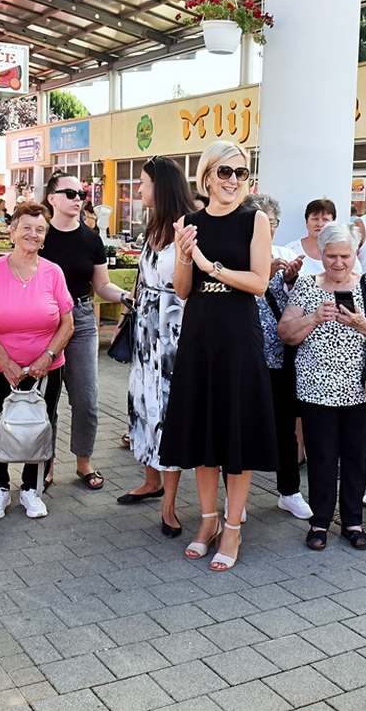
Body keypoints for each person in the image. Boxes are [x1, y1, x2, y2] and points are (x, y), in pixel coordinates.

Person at [159, 140, 277, 572]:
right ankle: (206, 521)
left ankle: (233, 526)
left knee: (236, 433)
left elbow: (260, 282)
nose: (232, 180)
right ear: (207, 176)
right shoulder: (189, 221)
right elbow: (183, 289)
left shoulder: (255, 219)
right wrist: (184, 255)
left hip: (237, 333)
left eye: (240, 173)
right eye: (224, 172)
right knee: (204, 432)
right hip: (200, 331)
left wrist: (211, 266)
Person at [279, 221, 366, 550]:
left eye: (345, 256)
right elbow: (286, 333)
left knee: (355, 457)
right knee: (321, 457)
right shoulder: (307, 286)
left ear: (355, 254)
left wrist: (362, 322)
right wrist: (314, 318)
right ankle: (319, 522)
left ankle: (352, 521)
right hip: (315, 388)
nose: (338, 263)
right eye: (331, 256)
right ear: (321, 253)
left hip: (359, 389)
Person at [0, 202, 73, 519]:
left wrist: (47, 356)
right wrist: (6, 364)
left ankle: (31, 489)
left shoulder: (53, 272)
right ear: (12, 231)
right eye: (26, 227)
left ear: (45, 237)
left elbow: (67, 324)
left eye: (40, 229)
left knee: (40, 427)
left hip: (46, 369)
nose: (33, 234)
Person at [39, 171, 133, 490]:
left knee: (86, 399)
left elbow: (102, 285)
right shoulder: (41, 236)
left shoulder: (92, 238)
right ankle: (45, 462)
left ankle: (83, 462)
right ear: (52, 199)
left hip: (80, 319)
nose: (78, 199)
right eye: (70, 193)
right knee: (45, 398)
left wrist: (125, 296)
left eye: (81, 194)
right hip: (44, 322)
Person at [119, 156, 196, 533]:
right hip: (147, 328)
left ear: (160, 187)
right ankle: (151, 480)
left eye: (143, 183)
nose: (138, 190)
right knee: (146, 403)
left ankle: (169, 503)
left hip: (174, 331)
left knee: (168, 409)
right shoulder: (154, 226)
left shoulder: (188, 226)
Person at [248, 193, 312, 520]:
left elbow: (298, 301)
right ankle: (237, 497)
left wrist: (287, 279)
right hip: (244, 355)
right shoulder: (235, 255)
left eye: (271, 223)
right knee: (241, 425)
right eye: (260, 222)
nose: (267, 229)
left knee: (284, 426)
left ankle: (289, 491)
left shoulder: (287, 253)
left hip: (280, 354)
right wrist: (261, 273)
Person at [285, 199, 362, 276]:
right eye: (315, 219)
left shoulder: (345, 249)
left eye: (325, 219)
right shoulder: (290, 250)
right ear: (306, 221)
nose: (319, 224)